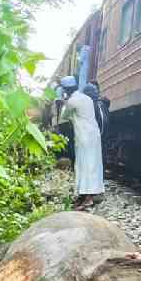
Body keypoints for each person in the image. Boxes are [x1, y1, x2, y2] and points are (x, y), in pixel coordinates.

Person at [58, 76, 105, 209]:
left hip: (84, 137)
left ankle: (88, 198)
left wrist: (63, 102)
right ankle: (84, 195)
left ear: (66, 90)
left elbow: (64, 116)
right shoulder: (87, 98)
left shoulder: (72, 101)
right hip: (94, 135)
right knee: (92, 164)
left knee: (84, 165)